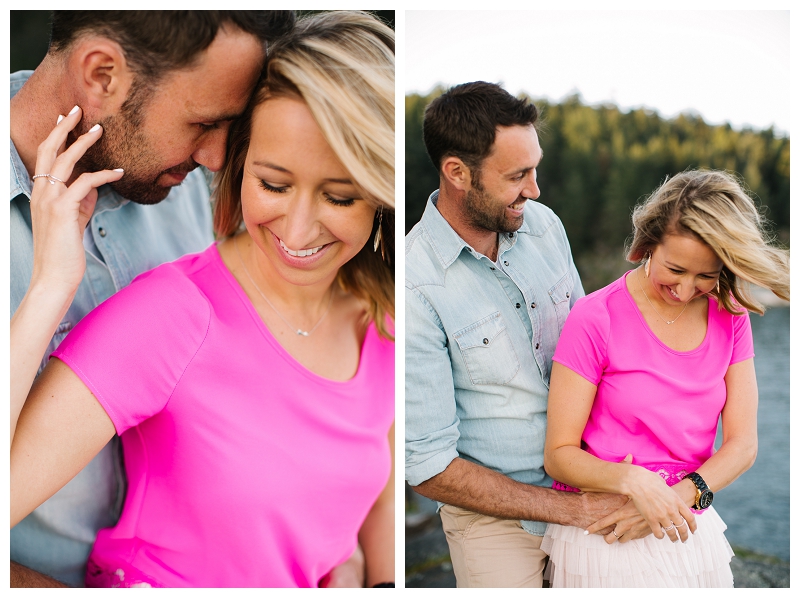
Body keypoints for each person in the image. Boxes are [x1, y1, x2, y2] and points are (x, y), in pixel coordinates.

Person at [11, 10, 394, 589]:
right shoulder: (170, 308)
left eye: (340, 196)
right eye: (204, 121)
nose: (216, 159)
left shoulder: (183, 183)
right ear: (102, 74)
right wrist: (48, 290)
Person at [405, 81, 647, 588]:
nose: (534, 190)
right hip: (497, 517)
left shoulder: (542, 225)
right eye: (517, 175)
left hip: (591, 476)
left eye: (534, 168)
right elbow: (428, 465)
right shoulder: (411, 284)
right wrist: (572, 511)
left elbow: (594, 353)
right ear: (457, 173)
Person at [542, 169, 790, 587]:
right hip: (605, 534)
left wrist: (671, 500)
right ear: (646, 245)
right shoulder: (594, 317)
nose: (687, 288)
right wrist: (636, 483)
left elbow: (743, 445)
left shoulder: (731, 317)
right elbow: (559, 455)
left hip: (688, 527)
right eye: (675, 269)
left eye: (706, 275)